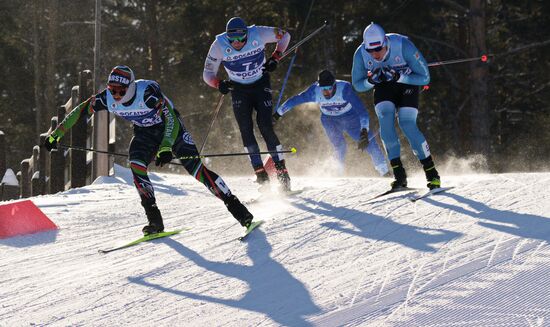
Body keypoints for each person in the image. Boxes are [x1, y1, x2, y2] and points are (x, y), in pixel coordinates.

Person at [44, 65, 255, 235]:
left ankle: (239, 211)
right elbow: (80, 110)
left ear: (131, 88)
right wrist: (57, 134)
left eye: (120, 91)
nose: (116, 95)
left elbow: (170, 118)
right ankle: (154, 220)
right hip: (145, 133)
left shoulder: (146, 93)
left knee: (196, 170)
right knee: (136, 164)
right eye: (112, 90)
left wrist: (165, 147)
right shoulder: (107, 98)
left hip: (171, 130)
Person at [202, 17, 292, 193]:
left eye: (241, 39)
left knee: (265, 126)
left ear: (247, 35)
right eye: (232, 39)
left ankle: (282, 173)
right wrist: (218, 83)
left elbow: (285, 36)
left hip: (260, 84)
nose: (236, 43)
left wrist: (276, 57)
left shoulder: (258, 33)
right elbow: (207, 73)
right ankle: (261, 176)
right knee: (245, 129)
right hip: (239, 90)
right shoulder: (219, 44)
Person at [351, 22, 441, 190]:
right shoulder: (360, 54)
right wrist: (371, 80)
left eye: (379, 49)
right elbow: (357, 85)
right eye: (371, 51)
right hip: (384, 87)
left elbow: (424, 78)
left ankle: (432, 173)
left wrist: (399, 76)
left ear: (385, 43)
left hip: (407, 83)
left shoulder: (403, 45)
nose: (375, 55)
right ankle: (399, 175)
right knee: (386, 123)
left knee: (407, 124)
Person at [273, 70, 389, 176]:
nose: (326, 92)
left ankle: (384, 171)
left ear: (334, 85)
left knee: (369, 142)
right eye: (323, 88)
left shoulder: (344, 89)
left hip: (351, 119)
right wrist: (277, 114)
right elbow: (294, 100)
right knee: (340, 146)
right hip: (329, 120)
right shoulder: (314, 91)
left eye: (329, 88)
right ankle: (337, 173)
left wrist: (364, 131)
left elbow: (362, 112)